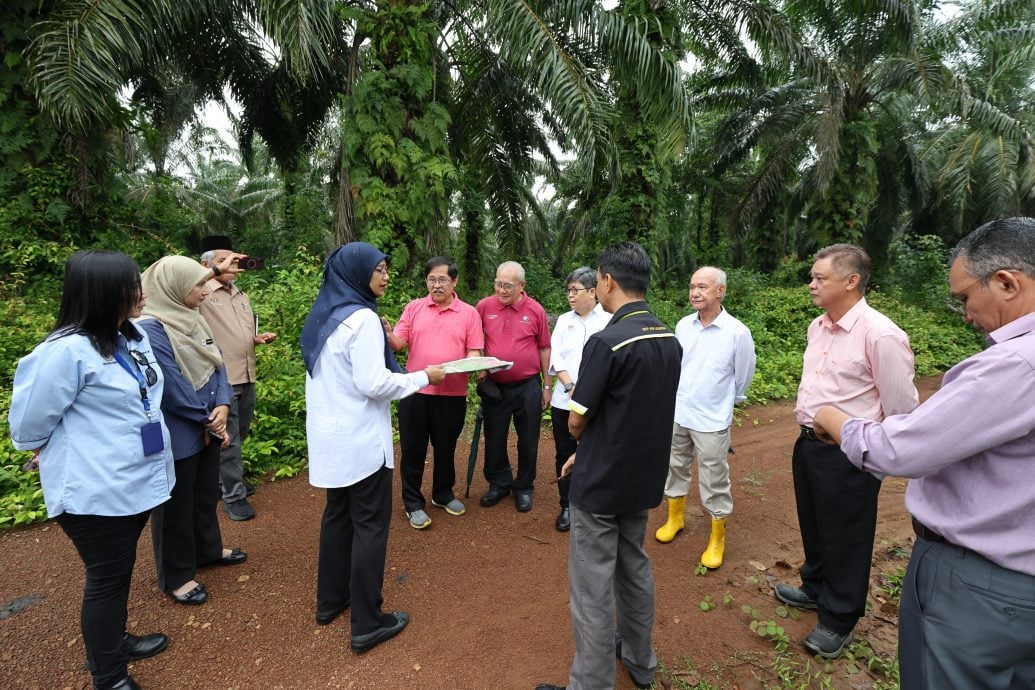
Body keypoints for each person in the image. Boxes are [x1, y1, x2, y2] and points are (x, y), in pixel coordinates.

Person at [812, 217, 1035, 689]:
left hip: (979, 584)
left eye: (965, 298)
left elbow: (901, 432)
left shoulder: (1014, 364)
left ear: (1007, 282)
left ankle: (837, 616)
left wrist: (834, 420)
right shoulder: (817, 328)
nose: (965, 314)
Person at [9, 250, 174, 690]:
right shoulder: (63, 353)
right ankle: (109, 675)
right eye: (131, 287)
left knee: (117, 572)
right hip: (94, 488)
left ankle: (115, 641)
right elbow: (27, 427)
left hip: (135, 478)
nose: (141, 294)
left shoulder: (129, 336)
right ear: (102, 294)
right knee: (106, 577)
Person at [536, 241, 682, 690]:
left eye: (596, 279)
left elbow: (577, 420)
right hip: (642, 478)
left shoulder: (608, 342)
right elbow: (636, 413)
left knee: (591, 587)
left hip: (600, 484)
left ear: (607, 281)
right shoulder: (669, 337)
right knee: (633, 566)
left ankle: (591, 684)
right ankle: (641, 662)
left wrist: (583, 442)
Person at [774, 244, 919, 659]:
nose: (811, 284)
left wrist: (873, 464)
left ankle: (839, 617)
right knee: (815, 523)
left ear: (851, 281)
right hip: (809, 444)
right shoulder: (818, 326)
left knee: (847, 536)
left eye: (820, 277)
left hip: (850, 453)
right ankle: (815, 587)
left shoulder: (881, 334)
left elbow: (902, 409)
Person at [300, 242, 445, 652]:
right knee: (369, 527)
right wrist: (423, 377)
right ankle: (366, 622)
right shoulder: (362, 319)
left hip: (330, 438)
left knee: (337, 518)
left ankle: (331, 601)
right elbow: (373, 383)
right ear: (357, 273)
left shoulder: (326, 313)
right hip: (360, 441)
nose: (385, 276)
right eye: (379, 269)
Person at [139, 255, 248, 607]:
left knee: (203, 493)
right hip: (180, 426)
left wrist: (223, 404)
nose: (204, 291)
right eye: (198, 285)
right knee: (175, 502)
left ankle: (208, 549)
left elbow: (217, 362)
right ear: (173, 289)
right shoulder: (152, 328)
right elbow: (169, 384)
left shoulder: (193, 317)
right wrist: (208, 418)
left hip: (207, 418)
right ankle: (177, 574)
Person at [655, 267, 756, 570]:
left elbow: (743, 376)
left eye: (702, 287)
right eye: (692, 287)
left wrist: (726, 402)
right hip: (679, 411)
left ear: (720, 291)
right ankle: (675, 517)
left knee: (713, 477)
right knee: (674, 465)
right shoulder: (684, 325)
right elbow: (676, 365)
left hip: (712, 418)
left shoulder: (737, 332)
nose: (695, 293)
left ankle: (717, 537)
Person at [385, 256, 483, 530]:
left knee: (446, 448)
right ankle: (413, 502)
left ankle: (442, 493)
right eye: (431, 279)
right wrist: (388, 333)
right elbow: (398, 344)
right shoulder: (414, 308)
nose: (436, 285)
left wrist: (472, 363)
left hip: (452, 395)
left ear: (454, 281)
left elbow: (474, 351)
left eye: (442, 280)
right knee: (413, 449)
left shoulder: (469, 313)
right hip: (415, 392)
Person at [199, 235, 277, 521]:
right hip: (220, 379)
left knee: (239, 433)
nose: (231, 265)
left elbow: (233, 332)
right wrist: (215, 272)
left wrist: (255, 339)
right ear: (205, 265)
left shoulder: (240, 295)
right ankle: (233, 496)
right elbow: (176, 287)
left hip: (246, 373)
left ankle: (223, 482)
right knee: (228, 441)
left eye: (234, 259)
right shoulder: (201, 293)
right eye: (222, 261)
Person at [475, 261, 552, 513]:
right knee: (495, 437)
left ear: (522, 285)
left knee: (528, 439)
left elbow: (544, 348)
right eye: (498, 283)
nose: (502, 290)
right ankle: (499, 482)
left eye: (508, 285)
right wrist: (482, 370)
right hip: (495, 387)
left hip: (528, 386)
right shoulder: (484, 307)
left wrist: (547, 385)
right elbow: (475, 341)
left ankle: (524, 487)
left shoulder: (535, 310)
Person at [547, 266, 609, 532]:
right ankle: (567, 506)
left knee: (597, 451)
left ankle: (594, 504)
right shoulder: (563, 320)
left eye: (576, 290)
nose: (570, 296)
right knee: (564, 451)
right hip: (565, 400)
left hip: (598, 403)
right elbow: (556, 356)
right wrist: (570, 385)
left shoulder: (609, 320)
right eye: (568, 290)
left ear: (593, 292)